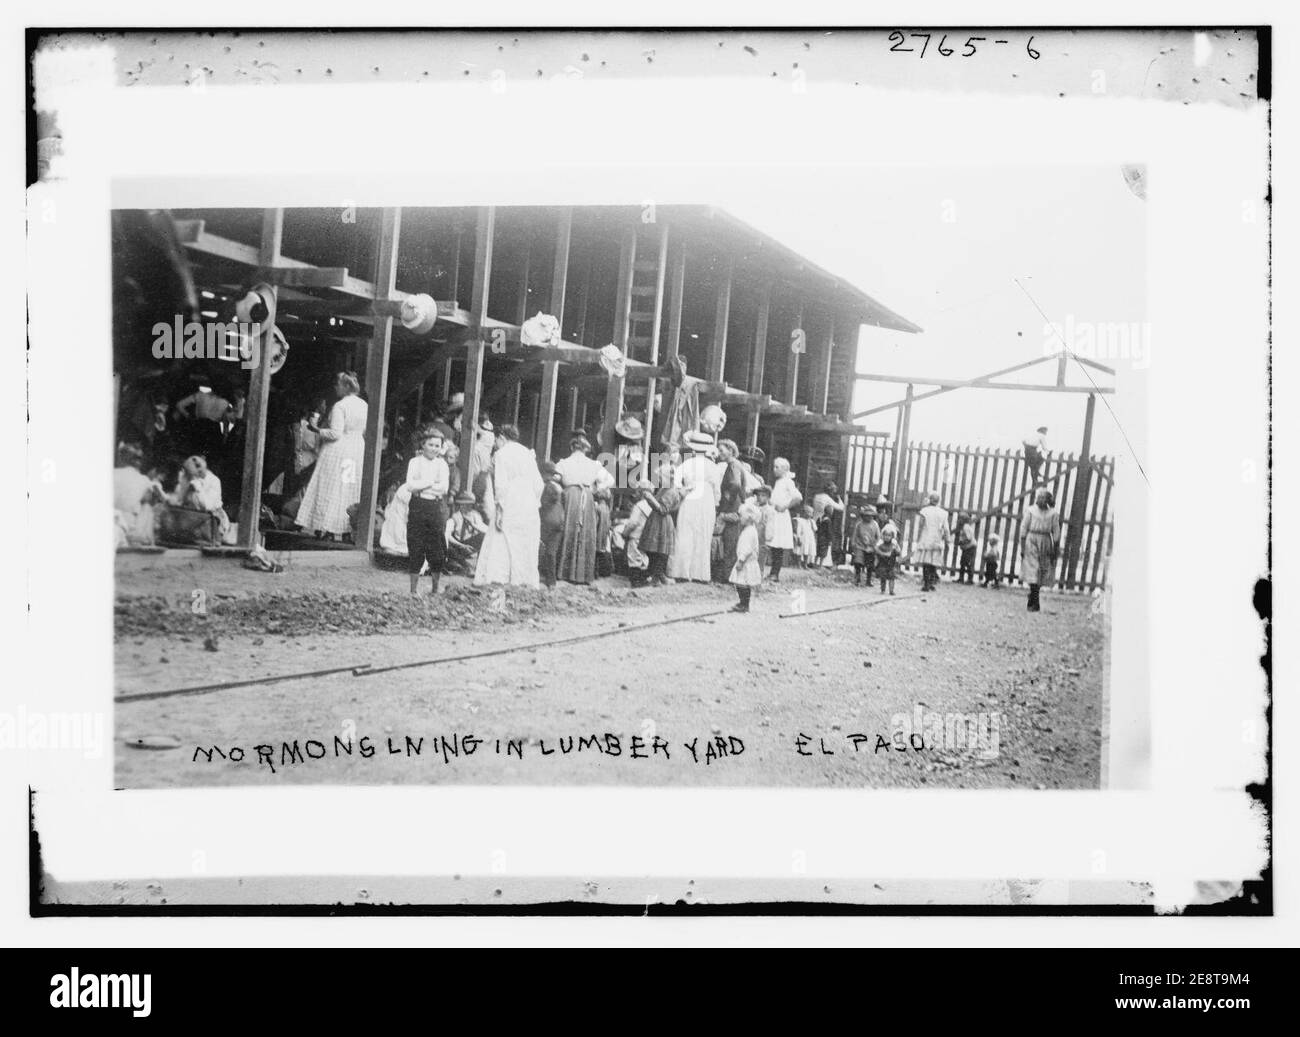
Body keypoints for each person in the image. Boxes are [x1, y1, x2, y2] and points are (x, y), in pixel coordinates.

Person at [297, 372, 368, 541]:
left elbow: (335, 433)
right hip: (357, 448)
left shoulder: (340, 406)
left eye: (337, 385)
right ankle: (346, 528)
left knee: (331, 487)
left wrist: (316, 430)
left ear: (345, 386)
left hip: (339, 450)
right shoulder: (364, 405)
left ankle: (326, 526)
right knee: (349, 486)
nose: (336, 388)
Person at [473, 423, 544, 588]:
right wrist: (535, 502)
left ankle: (499, 575)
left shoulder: (502, 454)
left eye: (496, 440)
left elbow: (501, 485)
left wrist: (499, 508)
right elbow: (539, 483)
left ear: (501, 438)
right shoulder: (527, 453)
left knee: (502, 535)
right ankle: (523, 578)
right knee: (524, 539)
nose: (495, 444)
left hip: (511, 497)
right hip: (528, 499)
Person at [555, 434, 613, 585]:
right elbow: (610, 480)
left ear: (572, 447)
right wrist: (595, 488)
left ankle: (564, 572)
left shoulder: (564, 462)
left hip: (569, 496)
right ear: (585, 449)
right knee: (584, 532)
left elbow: (555, 478)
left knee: (568, 530)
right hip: (586, 496)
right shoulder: (593, 464)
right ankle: (582, 574)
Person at [403, 427, 450, 596]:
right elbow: (410, 485)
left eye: (437, 446)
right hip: (418, 505)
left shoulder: (442, 464)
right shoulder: (414, 462)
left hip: (435, 508)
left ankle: (435, 588)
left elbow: (443, 488)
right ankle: (413, 590)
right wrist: (430, 482)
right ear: (423, 444)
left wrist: (423, 484)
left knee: (436, 546)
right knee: (416, 544)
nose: (434, 449)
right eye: (430, 444)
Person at [668, 431, 721, 582]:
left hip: (690, 497)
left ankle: (682, 572)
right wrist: (715, 504)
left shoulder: (686, 464)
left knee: (685, 534)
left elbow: (676, 485)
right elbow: (717, 491)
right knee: (703, 535)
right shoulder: (713, 467)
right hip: (707, 499)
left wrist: (684, 491)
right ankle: (700, 574)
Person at [113, 443, 163, 547]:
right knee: (147, 509)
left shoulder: (112, 473)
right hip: (128, 529)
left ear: (121, 457)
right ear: (140, 462)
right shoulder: (145, 481)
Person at [1020, 488, 1061, 612]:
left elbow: (1056, 531)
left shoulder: (1053, 514)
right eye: (1039, 497)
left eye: (1044, 498)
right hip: (1031, 540)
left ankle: (1033, 595)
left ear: (1049, 500)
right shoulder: (1031, 510)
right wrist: (1022, 546)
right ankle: (1034, 600)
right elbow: (1023, 528)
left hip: (1045, 541)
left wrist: (1055, 548)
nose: (1041, 500)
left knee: (1041, 570)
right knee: (1034, 568)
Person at [714, 438, 748, 580]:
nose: (719, 453)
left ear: (731, 451)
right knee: (730, 541)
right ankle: (728, 575)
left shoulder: (734, 465)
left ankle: (729, 576)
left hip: (733, 506)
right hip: (734, 505)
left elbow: (735, 484)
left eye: (722, 450)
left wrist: (729, 498)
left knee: (730, 541)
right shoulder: (734, 465)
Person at [765, 457, 802, 582]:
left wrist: (785, 506)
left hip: (781, 516)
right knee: (773, 545)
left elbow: (798, 497)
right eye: (774, 466)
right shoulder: (779, 481)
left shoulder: (787, 481)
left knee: (778, 545)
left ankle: (775, 574)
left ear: (785, 469)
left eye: (777, 467)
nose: (774, 469)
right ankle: (772, 572)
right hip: (775, 515)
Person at [640, 480, 679, 586]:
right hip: (656, 520)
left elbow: (663, 509)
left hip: (662, 521)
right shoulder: (663, 489)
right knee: (653, 549)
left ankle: (657, 577)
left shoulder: (672, 491)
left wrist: (650, 498)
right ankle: (658, 576)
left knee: (660, 550)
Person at [620, 480, 656, 588]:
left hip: (636, 535)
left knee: (634, 558)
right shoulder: (652, 505)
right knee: (643, 559)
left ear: (640, 492)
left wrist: (625, 533)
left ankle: (636, 582)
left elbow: (633, 522)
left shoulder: (639, 506)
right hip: (646, 536)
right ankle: (643, 580)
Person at [728, 502, 763, 613]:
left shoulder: (750, 532)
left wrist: (741, 560)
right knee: (742, 583)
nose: (740, 518)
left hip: (746, 562)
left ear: (749, 518)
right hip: (745, 561)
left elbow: (748, 549)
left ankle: (744, 604)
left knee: (742, 583)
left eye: (741, 516)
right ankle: (743, 603)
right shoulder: (750, 530)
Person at [914, 491, 951, 592]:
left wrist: (919, 537)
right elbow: (946, 529)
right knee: (933, 562)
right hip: (936, 539)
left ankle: (926, 584)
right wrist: (948, 540)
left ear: (929, 499)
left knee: (926, 562)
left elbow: (921, 525)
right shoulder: (943, 513)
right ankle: (931, 583)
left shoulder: (924, 511)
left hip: (926, 538)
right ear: (939, 501)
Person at [445, 491, 489, 576]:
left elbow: (487, 531)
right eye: (465, 504)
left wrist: (474, 525)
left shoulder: (475, 515)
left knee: (484, 537)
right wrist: (461, 545)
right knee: (445, 545)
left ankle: (480, 567)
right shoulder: (455, 517)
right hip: (458, 545)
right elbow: (447, 535)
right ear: (460, 505)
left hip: (470, 544)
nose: (468, 507)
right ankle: (466, 566)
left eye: (470, 504)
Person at [537, 460, 565, 589]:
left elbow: (541, 506)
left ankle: (539, 576)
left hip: (546, 522)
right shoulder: (559, 488)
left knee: (541, 550)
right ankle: (551, 581)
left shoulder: (544, 487)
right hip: (559, 523)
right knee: (551, 552)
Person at [812, 482, 846, 566]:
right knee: (823, 547)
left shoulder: (816, 496)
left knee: (815, 542)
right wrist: (839, 499)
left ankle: (813, 561)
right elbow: (841, 508)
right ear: (830, 491)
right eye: (833, 491)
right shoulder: (827, 498)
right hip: (824, 522)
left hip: (815, 520)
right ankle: (821, 564)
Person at [849, 505, 881, 587]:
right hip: (860, 546)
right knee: (858, 563)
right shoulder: (859, 524)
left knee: (870, 565)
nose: (868, 517)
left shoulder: (875, 524)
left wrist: (875, 546)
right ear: (863, 516)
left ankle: (868, 580)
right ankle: (857, 579)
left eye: (870, 516)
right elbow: (855, 535)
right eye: (866, 516)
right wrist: (853, 544)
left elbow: (878, 537)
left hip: (871, 547)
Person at [874, 526, 902, 595]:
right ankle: (883, 589)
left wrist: (896, 550)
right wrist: (882, 554)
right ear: (882, 536)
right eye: (885, 535)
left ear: (892, 537)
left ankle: (891, 590)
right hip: (883, 564)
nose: (887, 537)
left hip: (891, 565)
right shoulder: (881, 545)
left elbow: (898, 553)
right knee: (883, 577)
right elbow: (877, 552)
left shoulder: (894, 546)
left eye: (889, 535)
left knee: (891, 578)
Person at [593, 487, 614, 578]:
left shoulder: (597, 508)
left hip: (597, 532)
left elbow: (595, 522)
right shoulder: (607, 508)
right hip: (604, 533)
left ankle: (595, 572)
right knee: (601, 552)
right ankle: (600, 572)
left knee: (595, 554)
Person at [955, 513, 977, 584]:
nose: (958, 520)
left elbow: (969, 538)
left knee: (966, 563)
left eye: (959, 519)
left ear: (963, 520)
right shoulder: (966, 526)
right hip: (968, 547)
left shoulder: (965, 527)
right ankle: (962, 578)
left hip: (969, 547)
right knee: (963, 563)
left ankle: (970, 579)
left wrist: (961, 542)